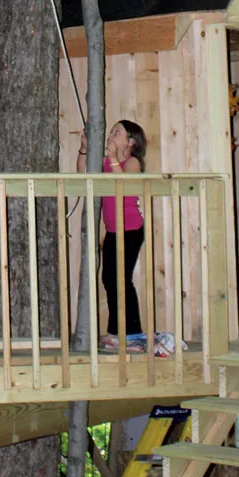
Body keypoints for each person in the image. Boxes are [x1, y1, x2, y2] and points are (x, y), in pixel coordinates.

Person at [78, 120, 147, 350]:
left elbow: (124, 185)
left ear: (130, 142)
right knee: (109, 279)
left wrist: (114, 158)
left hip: (131, 230)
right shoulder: (108, 162)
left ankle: (133, 334)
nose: (111, 135)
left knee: (121, 281)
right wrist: (85, 148)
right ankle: (116, 333)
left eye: (117, 132)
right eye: (111, 131)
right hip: (113, 230)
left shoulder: (132, 162)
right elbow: (82, 172)